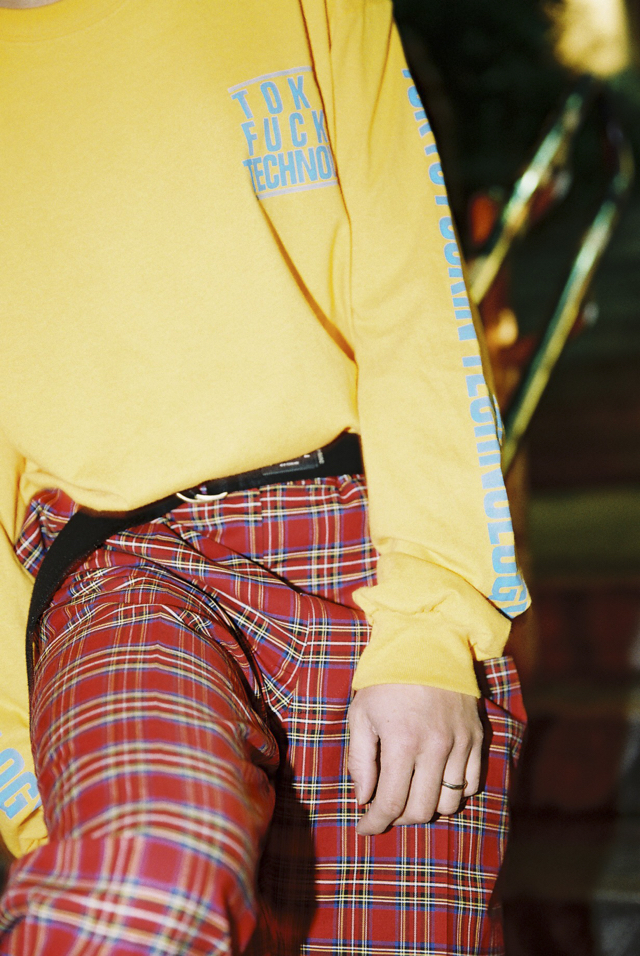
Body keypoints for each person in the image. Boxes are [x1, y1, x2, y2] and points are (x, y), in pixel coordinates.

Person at [0, 0, 529, 952]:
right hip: (118, 565)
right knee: (144, 885)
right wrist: (20, 765)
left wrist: (429, 624)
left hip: (362, 541)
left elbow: (409, 290)